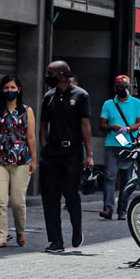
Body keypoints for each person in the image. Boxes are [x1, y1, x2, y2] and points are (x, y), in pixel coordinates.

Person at [39, 60, 92, 252]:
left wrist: (90, 155)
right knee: (50, 197)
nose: (47, 76)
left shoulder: (81, 95)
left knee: (71, 195)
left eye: (49, 72)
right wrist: (44, 146)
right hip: (52, 153)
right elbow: (43, 124)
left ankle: (77, 229)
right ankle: (56, 240)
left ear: (61, 74)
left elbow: (85, 125)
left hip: (73, 152)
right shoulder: (48, 97)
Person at [0, 75, 36, 247]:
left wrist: (34, 160)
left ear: (19, 90)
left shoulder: (27, 111)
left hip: (22, 160)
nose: (9, 91)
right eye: (6, 88)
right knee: (0, 201)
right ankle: (0, 237)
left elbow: (31, 137)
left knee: (18, 202)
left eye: (13, 88)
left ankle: (20, 231)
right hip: (0, 160)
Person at [99, 74, 140, 220]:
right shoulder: (108, 104)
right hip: (112, 144)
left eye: (125, 87)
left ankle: (122, 209)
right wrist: (113, 127)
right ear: (115, 88)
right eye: (120, 87)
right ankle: (108, 208)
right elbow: (102, 125)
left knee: (126, 178)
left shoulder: (136, 103)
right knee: (110, 177)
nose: (123, 90)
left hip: (129, 145)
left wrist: (129, 129)